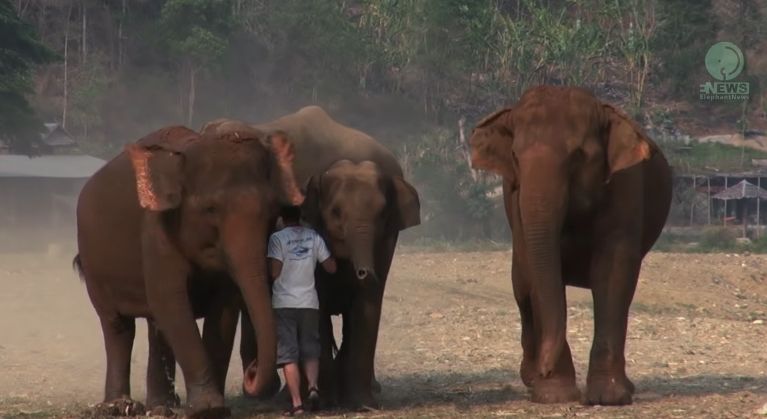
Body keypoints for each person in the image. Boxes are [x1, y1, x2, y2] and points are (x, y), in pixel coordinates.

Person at [268, 205, 337, 416]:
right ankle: (313, 388)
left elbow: (274, 272)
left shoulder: (277, 239)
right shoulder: (313, 236)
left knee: (289, 354)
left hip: (284, 304)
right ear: (301, 217)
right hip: (309, 302)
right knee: (310, 350)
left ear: (281, 218)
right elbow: (331, 267)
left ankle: (297, 403)